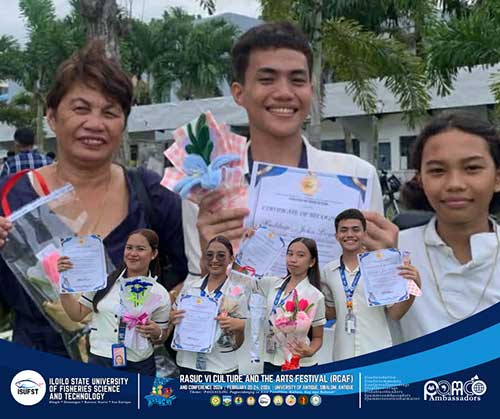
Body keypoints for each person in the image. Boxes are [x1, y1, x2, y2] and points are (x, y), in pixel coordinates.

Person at [0, 40, 188, 358]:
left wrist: (162, 314)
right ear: (52, 116)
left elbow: (196, 272)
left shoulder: (150, 193)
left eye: (110, 112)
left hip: (129, 370)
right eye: (81, 108)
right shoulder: (10, 197)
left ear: (122, 123)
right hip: (35, 372)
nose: (95, 124)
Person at [186, 21, 385, 278]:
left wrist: (384, 261)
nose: (284, 92)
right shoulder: (208, 186)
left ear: (311, 89)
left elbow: (371, 286)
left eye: (297, 80)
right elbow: (195, 286)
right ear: (239, 93)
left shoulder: (357, 175)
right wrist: (207, 263)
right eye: (267, 79)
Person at [395, 111, 500, 342]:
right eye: (437, 170)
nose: (454, 184)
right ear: (420, 179)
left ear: (497, 178)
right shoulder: (396, 250)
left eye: (472, 168)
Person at [58, 229, 169, 375]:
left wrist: (156, 332)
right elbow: (76, 314)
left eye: (140, 249)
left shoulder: (159, 293)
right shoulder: (102, 282)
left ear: (153, 254)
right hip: (100, 360)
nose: (133, 253)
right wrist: (64, 282)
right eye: (129, 248)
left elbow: (161, 336)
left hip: (139, 365)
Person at [320, 209, 421, 361]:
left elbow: (395, 313)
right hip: (342, 355)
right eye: (344, 230)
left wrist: (414, 286)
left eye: (355, 230)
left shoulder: (380, 267)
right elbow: (331, 312)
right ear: (337, 235)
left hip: (376, 351)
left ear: (364, 233)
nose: (349, 234)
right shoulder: (328, 271)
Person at [169, 235, 245, 375]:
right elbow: (172, 321)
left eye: (221, 255)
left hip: (221, 367)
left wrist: (239, 327)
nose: (214, 260)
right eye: (209, 255)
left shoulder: (238, 293)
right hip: (188, 364)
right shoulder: (189, 288)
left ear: (231, 259)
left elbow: (239, 341)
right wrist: (172, 318)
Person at [257, 237, 325, 372]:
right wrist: (248, 243)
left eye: (300, 255)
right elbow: (242, 279)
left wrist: (310, 350)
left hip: (300, 363)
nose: (293, 259)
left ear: (312, 262)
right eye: (290, 254)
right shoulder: (272, 283)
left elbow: (317, 337)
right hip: (271, 360)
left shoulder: (315, 296)